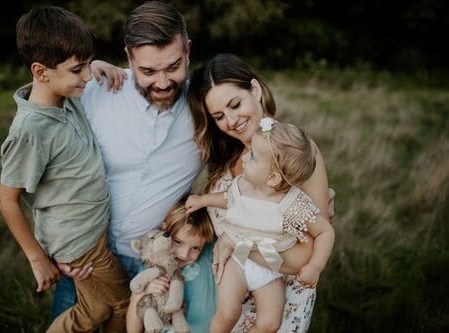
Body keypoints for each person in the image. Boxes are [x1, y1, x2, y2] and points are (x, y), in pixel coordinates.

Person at [50, 0, 203, 321]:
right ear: (129, 57)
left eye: (173, 67)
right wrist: (55, 245)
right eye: (148, 71)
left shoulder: (205, 108)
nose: (162, 82)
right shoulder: (96, 89)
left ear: (187, 50)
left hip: (156, 261)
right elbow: (41, 141)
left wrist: (315, 191)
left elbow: (266, 141)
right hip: (86, 254)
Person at [0, 6, 129, 332]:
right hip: (79, 242)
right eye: (77, 69)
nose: (86, 77)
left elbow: (81, 72)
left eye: (86, 65)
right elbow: (7, 200)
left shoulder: (65, 97)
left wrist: (94, 65)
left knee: (99, 307)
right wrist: (38, 259)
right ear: (41, 72)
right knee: (124, 304)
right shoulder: (32, 131)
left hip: (91, 230)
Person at [184, 52, 334, 332]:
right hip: (231, 295)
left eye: (235, 104)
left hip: (278, 300)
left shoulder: (292, 155)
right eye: (218, 116)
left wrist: (241, 245)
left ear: (255, 89)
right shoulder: (231, 154)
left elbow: (306, 254)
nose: (230, 120)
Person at [126, 197, 217, 332]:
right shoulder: (151, 268)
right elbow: (133, 330)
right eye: (178, 242)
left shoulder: (209, 254)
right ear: (164, 229)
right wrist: (142, 293)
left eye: (196, 248)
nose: (184, 254)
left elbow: (241, 242)